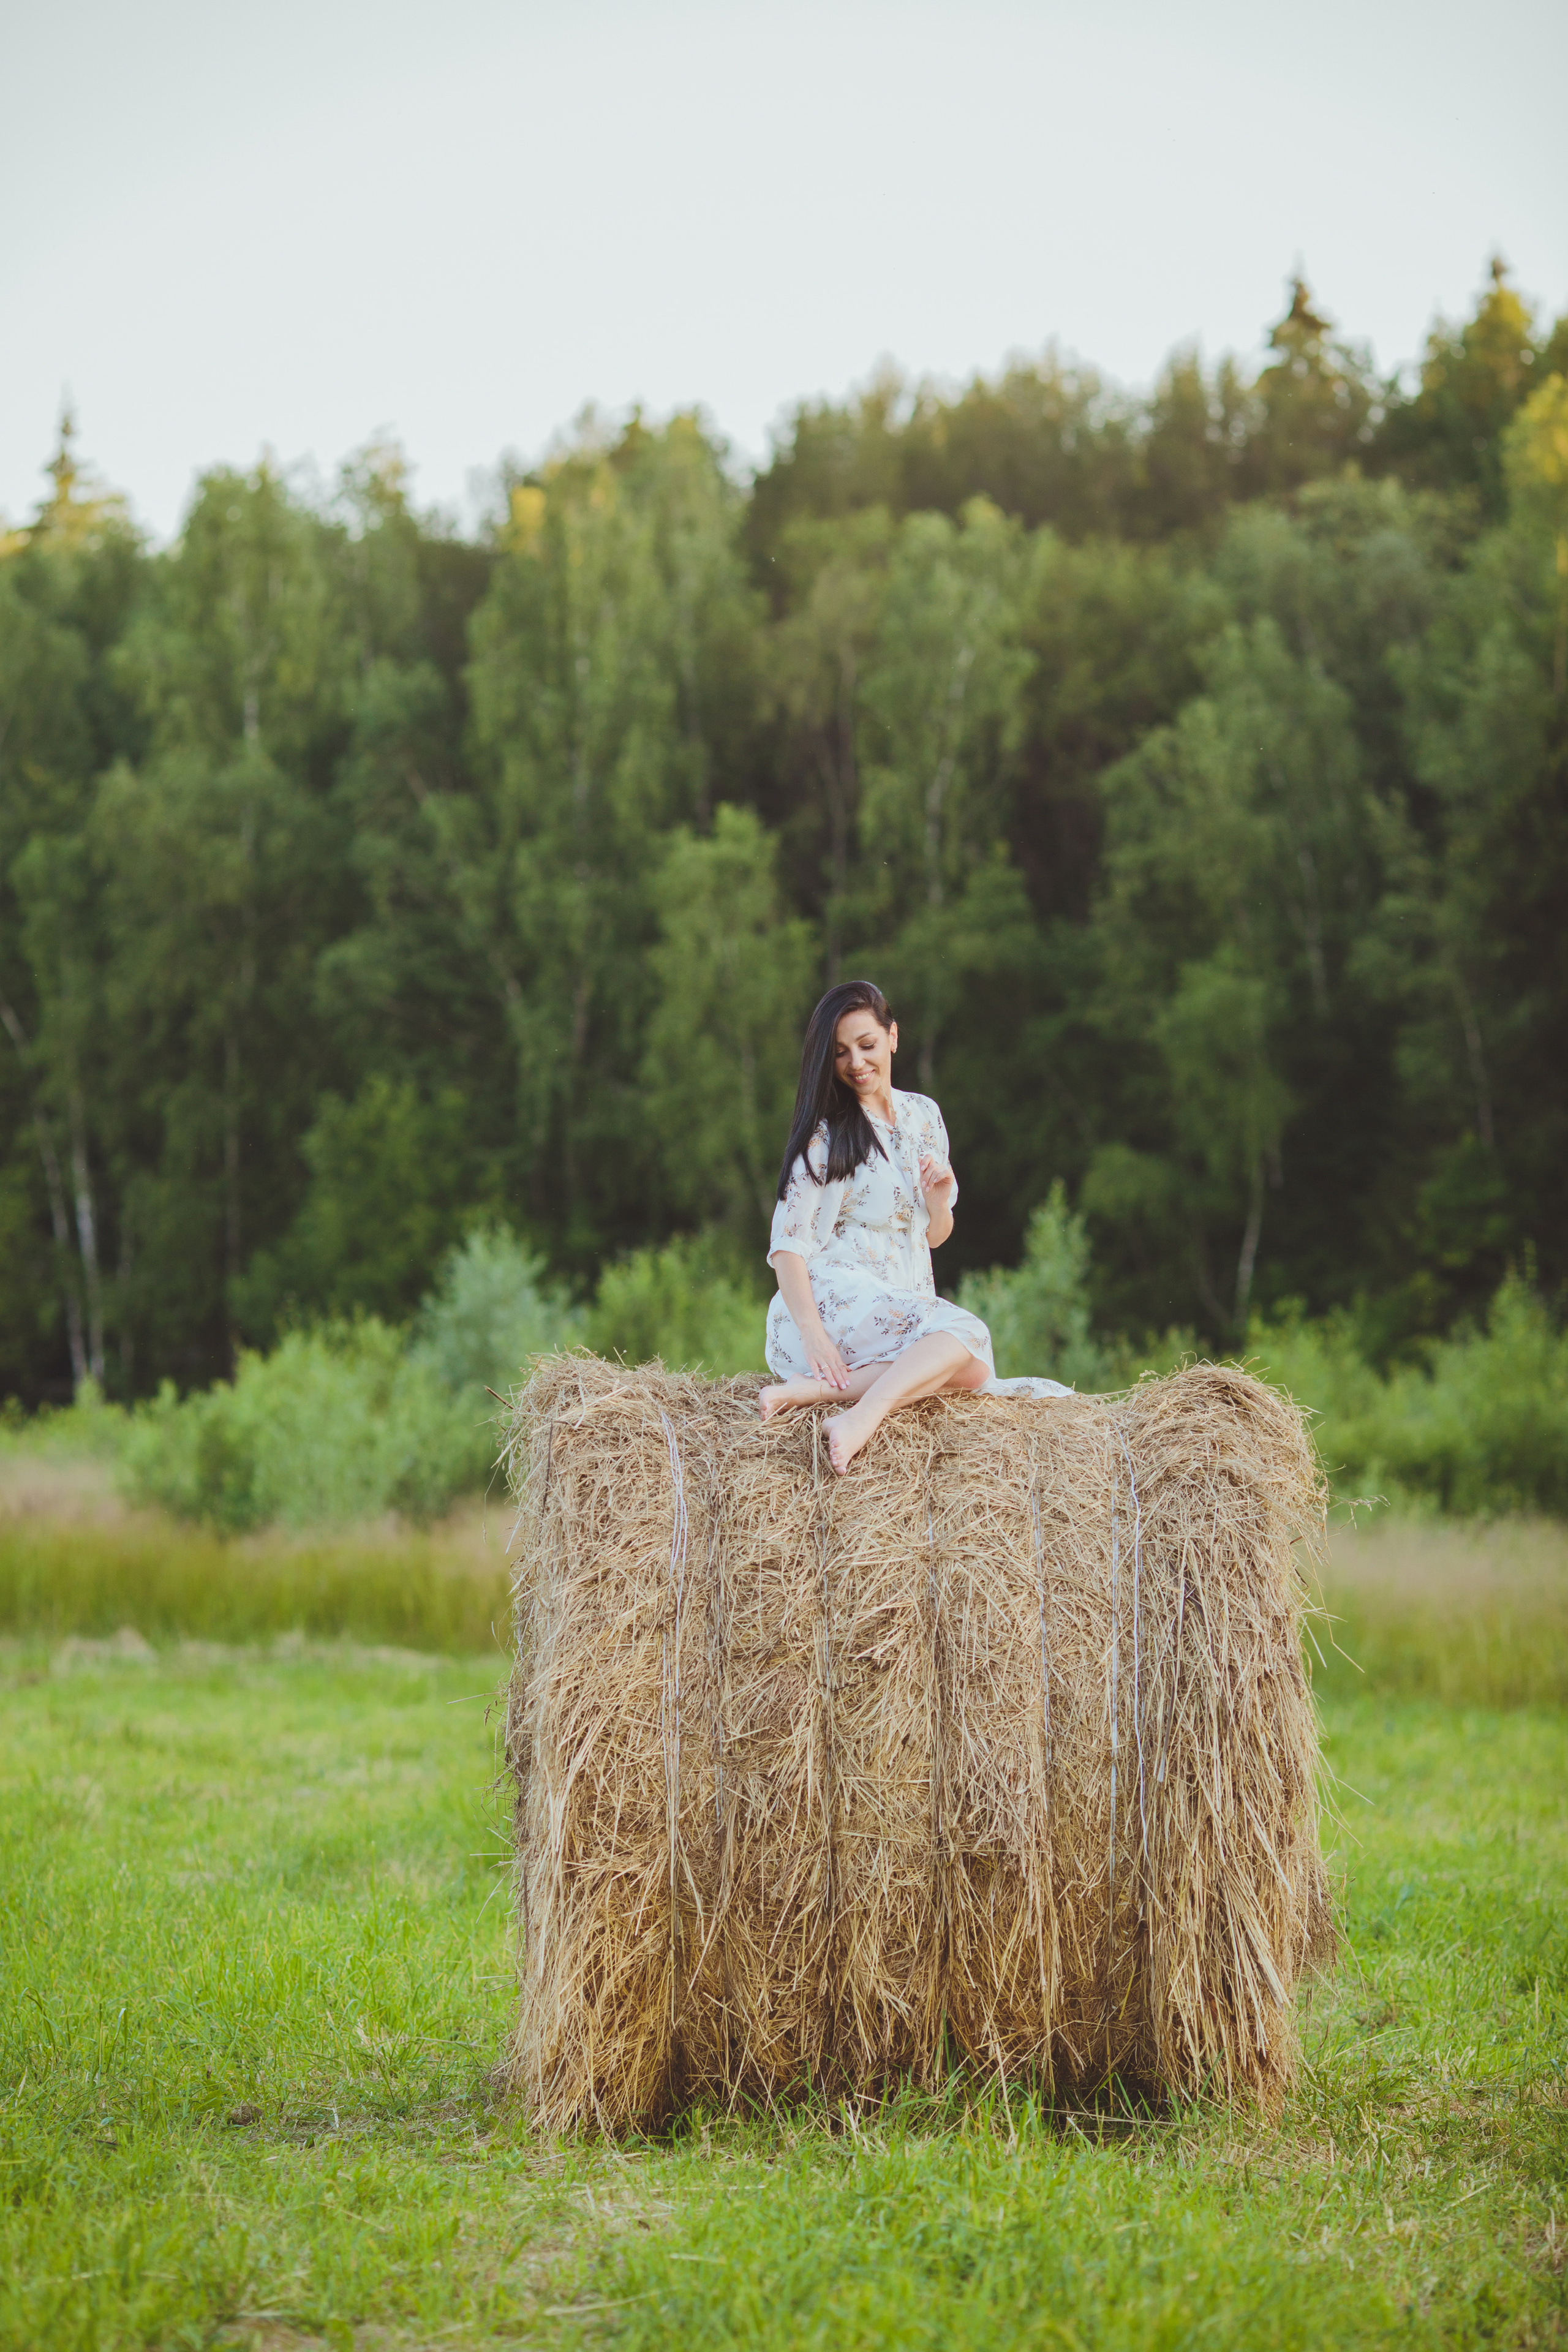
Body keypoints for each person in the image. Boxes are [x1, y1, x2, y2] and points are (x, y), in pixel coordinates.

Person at [759, 980, 998, 1474]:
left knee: (973, 1371)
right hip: (828, 1305)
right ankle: (860, 1417)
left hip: (894, 1302)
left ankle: (818, 1393)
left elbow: (933, 1237)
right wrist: (813, 1334)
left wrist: (938, 1202)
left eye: (867, 1045)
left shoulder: (924, 1117)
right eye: (842, 1052)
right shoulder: (827, 1136)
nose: (856, 1063)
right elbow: (787, 1247)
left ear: (893, 1037)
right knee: (968, 1331)